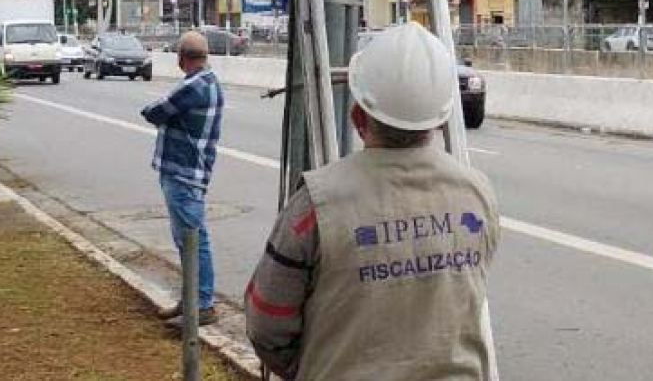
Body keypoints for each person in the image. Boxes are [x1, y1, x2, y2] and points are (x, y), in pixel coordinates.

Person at [245, 22, 500, 381]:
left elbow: (266, 322)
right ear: (440, 119)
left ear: (357, 116)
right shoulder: (478, 193)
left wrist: (313, 366)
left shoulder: (315, 207)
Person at [140, 31, 224, 326]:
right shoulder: (206, 81)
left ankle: (202, 304)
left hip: (184, 174)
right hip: (190, 173)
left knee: (192, 240)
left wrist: (156, 108)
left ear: (181, 58)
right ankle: (191, 301)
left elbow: (155, 112)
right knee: (187, 240)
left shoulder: (194, 86)